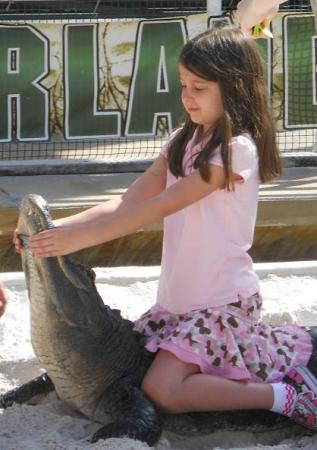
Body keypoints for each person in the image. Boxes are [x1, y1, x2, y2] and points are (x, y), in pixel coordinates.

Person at [13, 27, 317, 430]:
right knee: (141, 378)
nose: (187, 96)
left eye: (199, 87)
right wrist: (51, 230)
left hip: (219, 304)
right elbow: (129, 200)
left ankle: (286, 397)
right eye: (183, 85)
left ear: (236, 86)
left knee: (162, 390)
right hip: (176, 304)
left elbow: (159, 207)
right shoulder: (181, 140)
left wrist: (74, 240)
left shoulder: (236, 150)